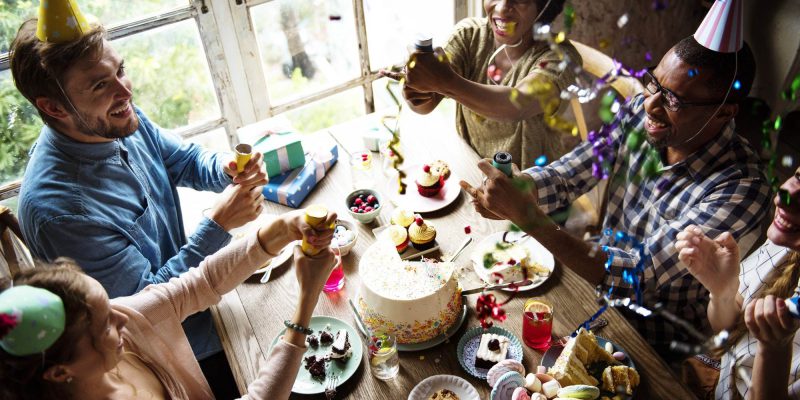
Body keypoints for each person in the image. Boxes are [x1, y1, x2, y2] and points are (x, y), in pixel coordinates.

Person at [461, 36, 770, 356]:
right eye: (654, 84)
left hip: (654, 342)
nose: (651, 105)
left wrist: (526, 215)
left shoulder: (742, 189)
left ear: (724, 112)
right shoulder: (640, 113)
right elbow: (571, 173)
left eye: (674, 100)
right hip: (591, 287)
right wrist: (524, 186)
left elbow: (637, 274)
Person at [9, 16, 265, 396]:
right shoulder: (60, 210)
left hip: (216, 300)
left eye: (121, 70)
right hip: (181, 356)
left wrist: (226, 169)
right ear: (55, 108)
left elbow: (182, 160)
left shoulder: (113, 115)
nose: (125, 91)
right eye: (100, 84)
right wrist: (218, 224)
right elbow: (145, 312)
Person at [0, 209, 336, 400]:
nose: (123, 316)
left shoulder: (121, 324)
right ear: (61, 372)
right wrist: (306, 299)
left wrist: (281, 230)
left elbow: (198, 284)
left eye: (108, 305)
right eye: (104, 325)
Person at [383, 0, 579, 169]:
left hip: (531, 191)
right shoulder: (469, 36)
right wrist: (417, 89)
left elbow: (518, 105)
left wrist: (445, 82)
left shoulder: (560, 59)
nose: (502, 8)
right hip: (471, 166)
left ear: (544, 6)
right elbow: (426, 106)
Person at [676, 167, 800, 400]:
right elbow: (728, 329)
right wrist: (723, 291)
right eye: (799, 177)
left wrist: (775, 352)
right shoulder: (783, 243)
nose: (784, 196)